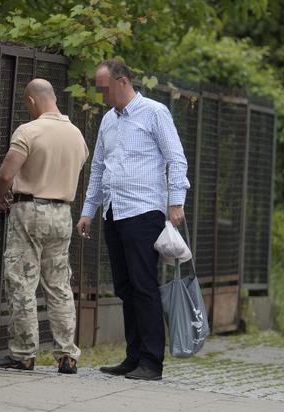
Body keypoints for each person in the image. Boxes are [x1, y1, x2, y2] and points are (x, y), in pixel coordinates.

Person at [76, 59, 190, 381]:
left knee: (144, 286)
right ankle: (134, 356)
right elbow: (98, 168)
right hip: (114, 212)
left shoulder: (154, 113)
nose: (101, 95)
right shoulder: (108, 121)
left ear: (122, 81)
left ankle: (152, 362)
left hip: (143, 212)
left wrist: (176, 201)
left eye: (104, 88)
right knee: (125, 287)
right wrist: (88, 210)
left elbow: (175, 158)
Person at [0, 78, 89, 374]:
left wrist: (1, 193)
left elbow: (6, 172)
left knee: (22, 281)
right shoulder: (77, 136)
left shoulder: (29, 130)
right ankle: (67, 355)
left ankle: (24, 353)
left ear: (32, 101)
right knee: (59, 284)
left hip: (29, 210)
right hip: (62, 214)